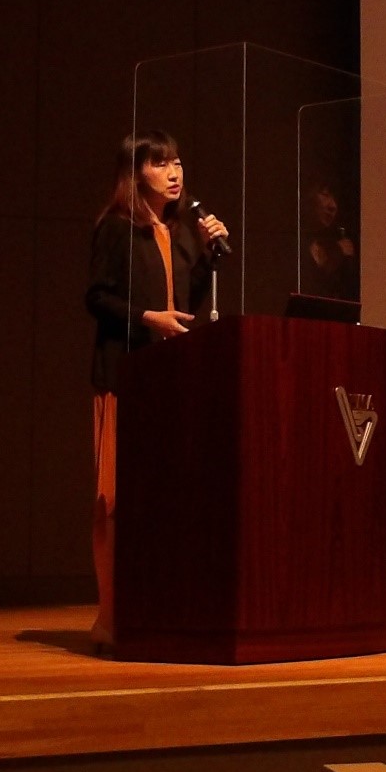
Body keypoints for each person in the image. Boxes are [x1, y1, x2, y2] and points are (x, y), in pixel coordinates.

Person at [84, 132, 228, 648]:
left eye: (178, 162)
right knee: (116, 500)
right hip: (125, 376)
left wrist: (209, 256)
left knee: (165, 499)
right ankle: (111, 617)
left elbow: (186, 305)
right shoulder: (116, 227)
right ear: (135, 172)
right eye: (160, 163)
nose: (174, 172)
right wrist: (147, 318)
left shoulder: (183, 233)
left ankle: (159, 611)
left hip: (170, 379)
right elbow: (96, 298)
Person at [302, 183, 358, 302]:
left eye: (335, 198)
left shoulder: (330, 243)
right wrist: (336, 254)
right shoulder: (289, 246)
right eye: (325, 194)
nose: (333, 206)